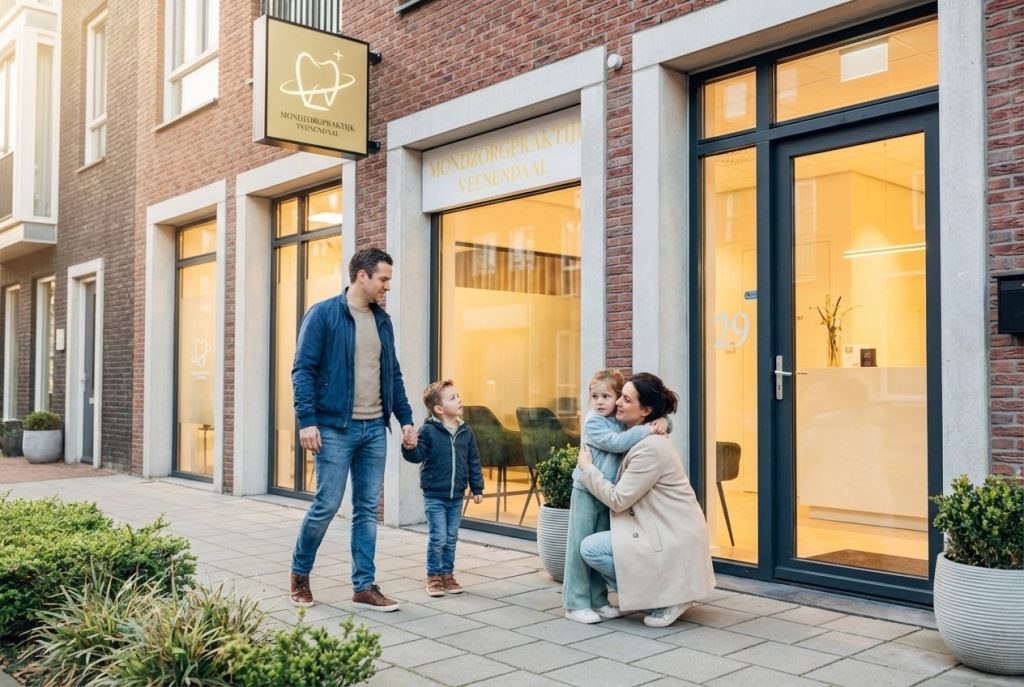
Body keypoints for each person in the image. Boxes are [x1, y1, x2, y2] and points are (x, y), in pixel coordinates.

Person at [289, 247, 417, 612]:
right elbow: (303, 371)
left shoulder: (382, 321)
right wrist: (307, 421)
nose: (387, 287)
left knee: (366, 509)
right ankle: (299, 573)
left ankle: (364, 586)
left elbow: (392, 374)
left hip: (374, 429)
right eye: (383, 279)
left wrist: (404, 419)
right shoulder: (325, 315)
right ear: (362, 276)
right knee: (327, 503)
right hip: (333, 429)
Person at [577, 372, 715, 627]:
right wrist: (663, 421)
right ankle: (656, 592)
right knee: (596, 546)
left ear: (645, 411)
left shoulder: (650, 448)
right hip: (656, 527)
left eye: (626, 400)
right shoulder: (637, 434)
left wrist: (588, 470)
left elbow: (618, 500)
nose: (617, 402)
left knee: (591, 548)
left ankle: (663, 599)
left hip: (671, 533)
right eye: (620, 396)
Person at [562, 369, 668, 624]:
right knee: (578, 547)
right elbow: (617, 443)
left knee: (594, 547)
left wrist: (664, 422)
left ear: (618, 397)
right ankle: (575, 603)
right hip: (587, 491)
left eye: (606, 396)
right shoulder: (594, 423)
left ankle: (598, 600)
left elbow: (645, 421)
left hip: (606, 494)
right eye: (594, 396)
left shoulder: (619, 419)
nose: (599, 402)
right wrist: (649, 430)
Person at [401, 379, 484, 597]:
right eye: (453, 397)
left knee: (452, 536)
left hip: (456, 495)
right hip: (434, 494)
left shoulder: (466, 431)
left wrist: (477, 488)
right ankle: (434, 576)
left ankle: (448, 574)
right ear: (439, 409)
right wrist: (409, 447)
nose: (459, 399)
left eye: (458, 396)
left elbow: (473, 461)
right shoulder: (428, 431)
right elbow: (417, 455)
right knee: (438, 537)